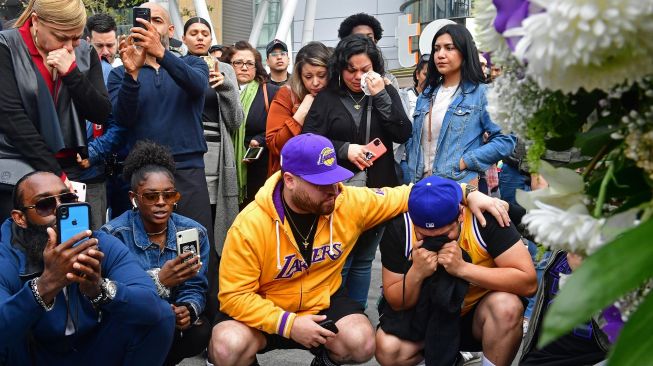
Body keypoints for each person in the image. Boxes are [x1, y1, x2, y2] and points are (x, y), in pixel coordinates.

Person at [209, 133, 511, 366]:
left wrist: (467, 192)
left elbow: (409, 193)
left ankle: (325, 361)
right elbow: (234, 296)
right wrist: (287, 324)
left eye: (335, 178)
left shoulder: (345, 200)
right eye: (320, 183)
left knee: (361, 342)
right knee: (227, 344)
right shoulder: (249, 225)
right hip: (266, 309)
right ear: (289, 180)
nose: (333, 189)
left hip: (319, 301)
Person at [0, 171, 175, 365]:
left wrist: (100, 290)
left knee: (163, 314)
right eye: (45, 205)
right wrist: (45, 285)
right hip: (33, 355)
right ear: (20, 218)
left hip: (91, 351)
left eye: (67, 199)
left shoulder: (100, 242)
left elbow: (151, 306)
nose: (59, 210)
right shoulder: (7, 254)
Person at [375, 175, 537, 366]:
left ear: (460, 214)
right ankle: (445, 356)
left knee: (507, 306)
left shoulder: (482, 218)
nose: (435, 241)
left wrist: (463, 269)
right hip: (425, 315)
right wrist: (416, 273)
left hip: (474, 315)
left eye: (444, 234)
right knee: (388, 348)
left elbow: (528, 282)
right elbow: (396, 301)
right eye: (424, 235)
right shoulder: (400, 226)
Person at [302, 34, 412, 306]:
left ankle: (358, 315)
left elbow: (402, 131)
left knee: (364, 258)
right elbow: (309, 140)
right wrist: (344, 149)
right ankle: (337, 317)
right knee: (339, 257)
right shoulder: (327, 97)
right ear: (340, 68)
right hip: (337, 189)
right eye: (350, 69)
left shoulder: (385, 92)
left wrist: (382, 96)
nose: (357, 76)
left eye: (365, 69)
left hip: (377, 187)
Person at [108, 3, 213, 251]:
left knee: (193, 244)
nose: (150, 26)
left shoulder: (194, 64)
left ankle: (196, 291)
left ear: (171, 29)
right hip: (143, 172)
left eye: (156, 20)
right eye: (144, 21)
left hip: (187, 169)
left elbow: (198, 86)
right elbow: (122, 118)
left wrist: (162, 55)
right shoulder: (120, 72)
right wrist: (131, 76)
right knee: (145, 246)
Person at [0, 0, 111, 221]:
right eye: (61, 37)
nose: (69, 46)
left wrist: (71, 74)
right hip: (17, 167)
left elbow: (101, 113)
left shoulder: (85, 52)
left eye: (76, 37)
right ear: (35, 22)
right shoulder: (7, 46)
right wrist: (55, 174)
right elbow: (12, 118)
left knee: (75, 247)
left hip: (70, 170)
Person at [101, 141, 210, 366]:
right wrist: (159, 280)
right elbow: (111, 296)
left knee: (200, 330)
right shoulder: (113, 235)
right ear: (134, 197)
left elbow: (195, 286)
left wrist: (187, 309)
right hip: (130, 322)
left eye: (169, 195)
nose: (161, 203)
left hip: (171, 325)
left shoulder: (193, 233)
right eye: (151, 196)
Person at [181, 16, 244, 320]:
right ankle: (193, 309)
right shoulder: (176, 66)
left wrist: (227, 89)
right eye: (194, 33)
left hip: (220, 159)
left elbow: (237, 122)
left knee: (220, 239)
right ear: (184, 38)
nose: (200, 38)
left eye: (205, 33)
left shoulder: (226, 69)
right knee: (191, 233)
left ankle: (219, 312)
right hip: (188, 160)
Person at [405, 24, 515, 187]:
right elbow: (414, 140)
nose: (440, 55)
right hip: (420, 185)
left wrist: (465, 161)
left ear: (464, 52)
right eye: (437, 49)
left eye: (449, 48)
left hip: (459, 185)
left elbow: (505, 140)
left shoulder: (482, 93)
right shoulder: (427, 95)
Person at [76, 13, 127, 230]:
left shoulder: (116, 75)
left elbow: (120, 124)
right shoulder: (63, 66)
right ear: (86, 42)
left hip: (98, 171)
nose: (105, 52)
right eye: (99, 46)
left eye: (110, 45)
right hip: (61, 167)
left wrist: (93, 152)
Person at [221, 40, 279, 207]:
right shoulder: (218, 91)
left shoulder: (271, 92)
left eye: (249, 63)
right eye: (238, 63)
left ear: (257, 67)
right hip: (225, 164)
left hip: (258, 168)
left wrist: (260, 140)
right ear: (228, 66)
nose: (244, 67)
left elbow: (278, 128)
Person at [266, 41, 331, 175]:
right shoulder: (287, 94)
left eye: (321, 75)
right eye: (308, 77)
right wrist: (301, 113)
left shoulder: (338, 94)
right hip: (295, 175)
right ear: (300, 77)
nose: (315, 82)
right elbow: (274, 144)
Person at [337, 13, 399, 89]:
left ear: (375, 41)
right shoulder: (335, 78)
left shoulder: (389, 79)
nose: (364, 41)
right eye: (358, 37)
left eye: (369, 38)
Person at [395, 55, 429, 184]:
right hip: (403, 158)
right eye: (426, 74)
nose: (430, 79)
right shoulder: (403, 96)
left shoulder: (439, 100)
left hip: (426, 161)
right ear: (417, 74)